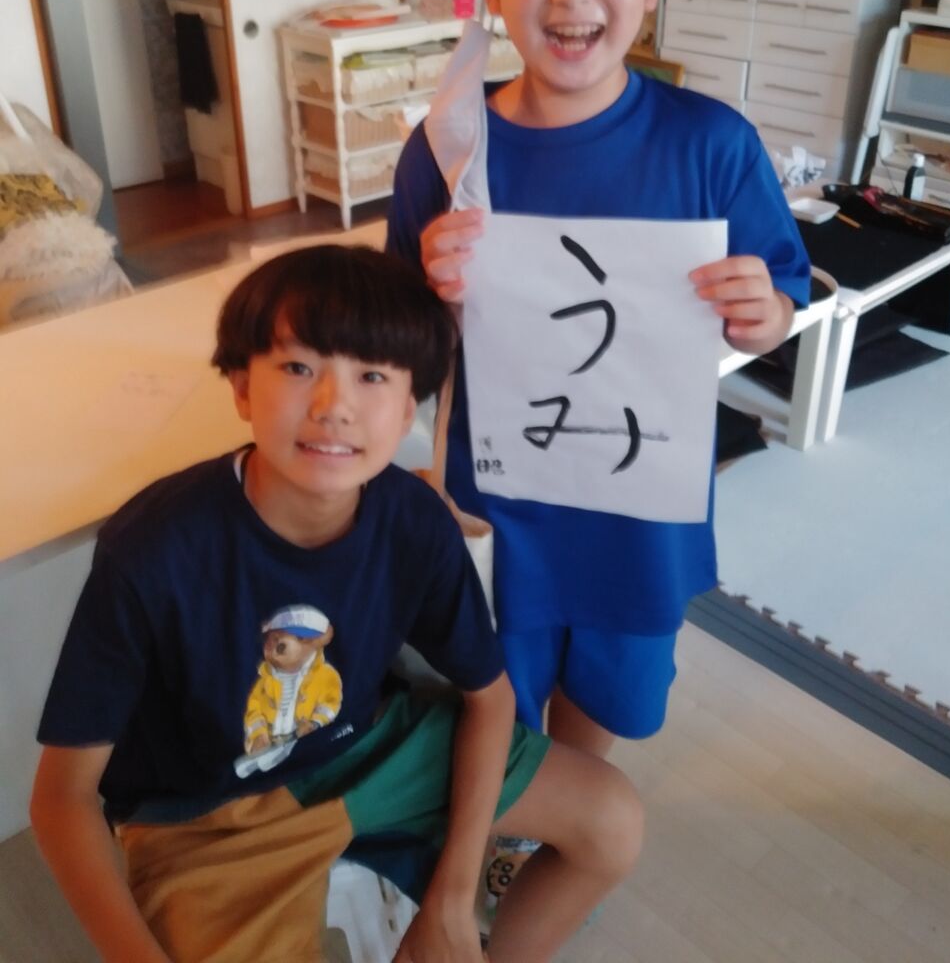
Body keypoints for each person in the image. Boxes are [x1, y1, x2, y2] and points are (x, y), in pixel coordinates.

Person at [30, 244, 644, 963]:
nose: (333, 407)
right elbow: (62, 798)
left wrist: (451, 901)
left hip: (368, 750)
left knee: (612, 821)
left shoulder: (412, 519)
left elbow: (490, 696)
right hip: (208, 815)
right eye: (298, 368)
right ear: (241, 387)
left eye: (372, 375)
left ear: (409, 406)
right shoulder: (155, 548)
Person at [387, 0, 811, 760]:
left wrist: (765, 314)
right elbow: (392, 355)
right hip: (496, 513)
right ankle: (511, 824)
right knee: (492, 722)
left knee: (596, 734)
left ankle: (563, 821)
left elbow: (780, 298)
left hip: (639, 520)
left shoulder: (712, 145)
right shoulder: (448, 149)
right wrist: (432, 296)